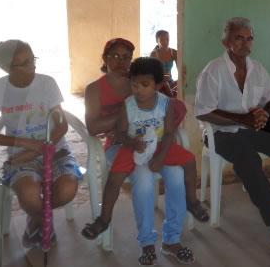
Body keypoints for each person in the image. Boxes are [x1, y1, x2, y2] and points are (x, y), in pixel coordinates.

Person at [83, 39, 208, 232]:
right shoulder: (96, 90)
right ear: (105, 58)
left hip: (156, 141)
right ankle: (121, 226)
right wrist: (129, 113)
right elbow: (93, 127)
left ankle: (177, 227)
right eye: (114, 56)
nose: (120, 62)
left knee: (177, 173)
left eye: (126, 57)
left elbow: (171, 111)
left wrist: (138, 119)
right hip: (125, 143)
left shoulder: (139, 80)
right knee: (143, 179)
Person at [195, 17, 270, 226]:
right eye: (238, 38)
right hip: (220, 133)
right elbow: (204, 112)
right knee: (248, 158)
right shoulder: (213, 71)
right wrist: (242, 119)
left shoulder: (258, 70)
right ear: (225, 41)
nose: (245, 43)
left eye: (249, 38)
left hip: (253, 127)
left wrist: (264, 113)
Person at [83, 57, 195, 265]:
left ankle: (172, 239)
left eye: (144, 85)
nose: (137, 89)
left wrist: (160, 158)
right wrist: (132, 143)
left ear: (158, 85)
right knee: (142, 181)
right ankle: (145, 241)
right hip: (134, 148)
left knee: (178, 176)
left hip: (160, 148)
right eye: (134, 84)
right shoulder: (128, 105)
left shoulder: (165, 103)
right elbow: (120, 133)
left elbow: (170, 132)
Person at [0, 40, 81, 248]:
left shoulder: (47, 83)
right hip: (21, 155)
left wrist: (40, 148)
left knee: (68, 188)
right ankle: (41, 220)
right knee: (29, 194)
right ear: (7, 68)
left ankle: (36, 219)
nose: (32, 66)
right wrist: (24, 143)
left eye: (32, 59)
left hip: (56, 150)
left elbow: (61, 125)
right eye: (23, 63)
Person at [150, 30, 178, 97]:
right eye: (162, 40)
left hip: (170, 82)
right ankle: (172, 99)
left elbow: (180, 70)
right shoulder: (154, 54)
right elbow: (151, 73)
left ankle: (172, 96)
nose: (165, 42)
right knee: (164, 83)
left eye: (167, 39)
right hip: (159, 82)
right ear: (157, 41)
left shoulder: (174, 52)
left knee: (181, 82)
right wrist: (162, 78)